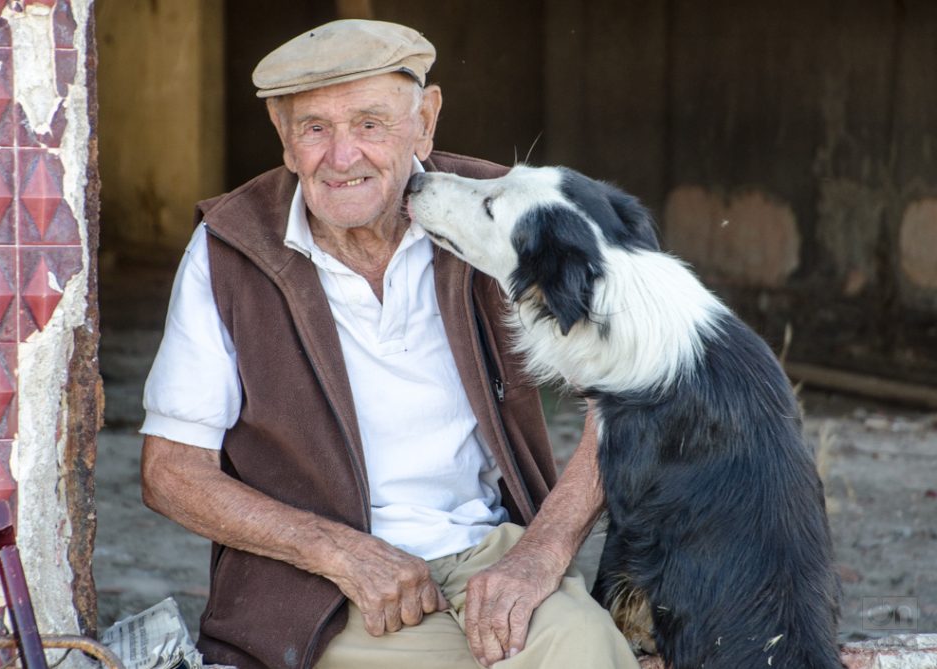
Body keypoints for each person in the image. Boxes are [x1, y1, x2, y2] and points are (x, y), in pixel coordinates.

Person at [139, 18, 640, 669]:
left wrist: (540, 554)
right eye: (314, 127)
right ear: (284, 140)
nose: (342, 156)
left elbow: (631, 392)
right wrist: (337, 550)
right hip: (319, 590)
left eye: (371, 124)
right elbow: (172, 470)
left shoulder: (502, 214)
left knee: (586, 648)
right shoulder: (231, 248)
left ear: (425, 121)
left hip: (493, 554)